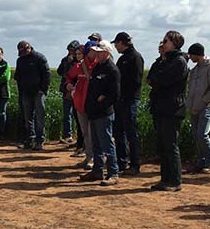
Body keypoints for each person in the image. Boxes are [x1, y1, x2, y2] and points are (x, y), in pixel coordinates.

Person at [145, 31, 189, 192]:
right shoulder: (165, 60)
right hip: (160, 107)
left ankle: (175, 181)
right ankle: (165, 179)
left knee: (171, 145)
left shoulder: (179, 62)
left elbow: (161, 80)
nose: (163, 44)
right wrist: (156, 78)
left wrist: (156, 79)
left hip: (172, 108)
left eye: (166, 41)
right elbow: (151, 77)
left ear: (174, 43)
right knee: (163, 146)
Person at [78, 40, 121, 186]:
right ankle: (97, 171)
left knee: (107, 144)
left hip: (104, 113)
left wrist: (102, 101)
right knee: (96, 144)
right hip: (93, 112)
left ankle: (113, 173)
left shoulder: (112, 70)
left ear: (106, 53)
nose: (96, 53)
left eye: (99, 51)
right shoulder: (97, 67)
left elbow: (114, 95)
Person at [113, 32, 145, 175]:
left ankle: (135, 164)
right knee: (118, 132)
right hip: (120, 101)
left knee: (131, 133)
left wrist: (124, 93)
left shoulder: (135, 57)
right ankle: (121, 162)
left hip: (130, 100)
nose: (115, 47)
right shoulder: (123, 59)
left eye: (116, 44)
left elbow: (136, 81)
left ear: (122, 43)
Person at [186, 42, 210, 174]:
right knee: (196, 135)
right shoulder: (194, 71)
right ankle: (200, 162)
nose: (190, 57)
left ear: (197, 54)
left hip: (207, 106)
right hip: (194, 107)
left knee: (202, 134)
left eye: (191, 54)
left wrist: (202, 103)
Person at [14, 40, 50, 150]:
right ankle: (29, 139)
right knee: (27, 118)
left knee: (39, 117)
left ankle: (39, 140)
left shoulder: (39, 58)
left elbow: (47, 75)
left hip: (38, 92)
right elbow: (18, 76)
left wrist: (43, 90)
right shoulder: (20, 60)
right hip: (26, 92)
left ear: (29, 48)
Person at [66, 43, 97, 168]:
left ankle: (94, 159)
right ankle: (89, 157)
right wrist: (69, 86)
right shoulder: (79, 66)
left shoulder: (99, 66)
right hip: (80, 103)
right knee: (85, 132)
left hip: (93, 105)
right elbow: (68, 77)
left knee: (92, 133)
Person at [57, 41, 80, 144]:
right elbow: (60, 71)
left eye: (72, 50)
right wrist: (67, 63)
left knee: (77, 115)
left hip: (76, 91)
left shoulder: (79, 62)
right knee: (67, 114)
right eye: (69, 50)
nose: (70, 52)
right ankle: (67, 135)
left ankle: (78, 137)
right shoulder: (65, 60)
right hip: (66, 89)